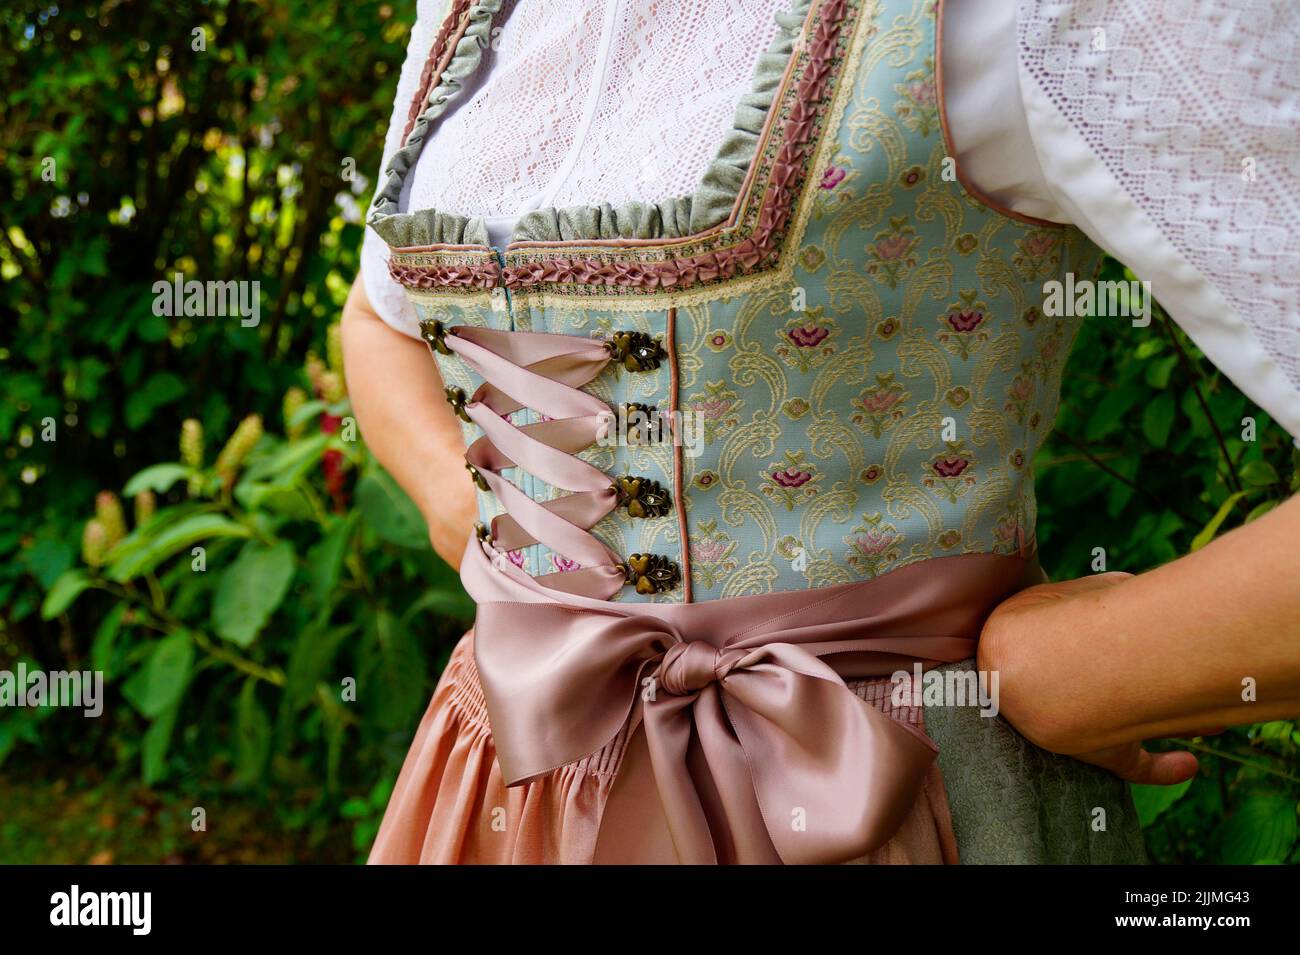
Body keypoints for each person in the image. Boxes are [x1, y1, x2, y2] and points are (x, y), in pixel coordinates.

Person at [342, 0, 1300, 863]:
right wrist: (484, 538)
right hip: (511, 771)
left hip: (890, 796)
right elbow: (380, 316)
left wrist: (1073, 670)